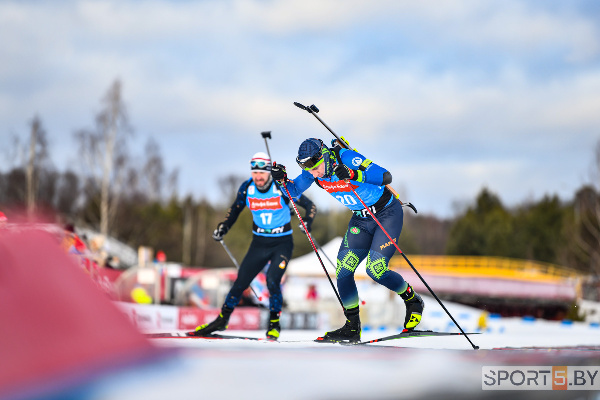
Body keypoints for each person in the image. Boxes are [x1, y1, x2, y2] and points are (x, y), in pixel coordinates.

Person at [271, 138, 424, 343]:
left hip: (386, 214)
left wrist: (353, 174)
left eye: (316, 168)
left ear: (324, 156)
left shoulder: (346, 157)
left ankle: (413, 300)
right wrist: (281, 180)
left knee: (375, 269)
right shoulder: (313, 170)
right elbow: (293, 191)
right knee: (343, 270)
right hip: (361, 219)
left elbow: (385, 176)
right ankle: (352, 327)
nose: (314, 173)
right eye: (309, 169)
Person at [190, 151, 316, 340]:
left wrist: (307, 221)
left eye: (262, 173)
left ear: (269, 172)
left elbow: (311, 207)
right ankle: (222, 320)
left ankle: (274, 324)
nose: (258, 177)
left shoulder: (281, 187)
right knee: (240, 282)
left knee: (273, 280)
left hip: (282, 243)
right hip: (259, 243)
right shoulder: (247, 188)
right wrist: (224, 227)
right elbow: (235, 210)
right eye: (254, 173)